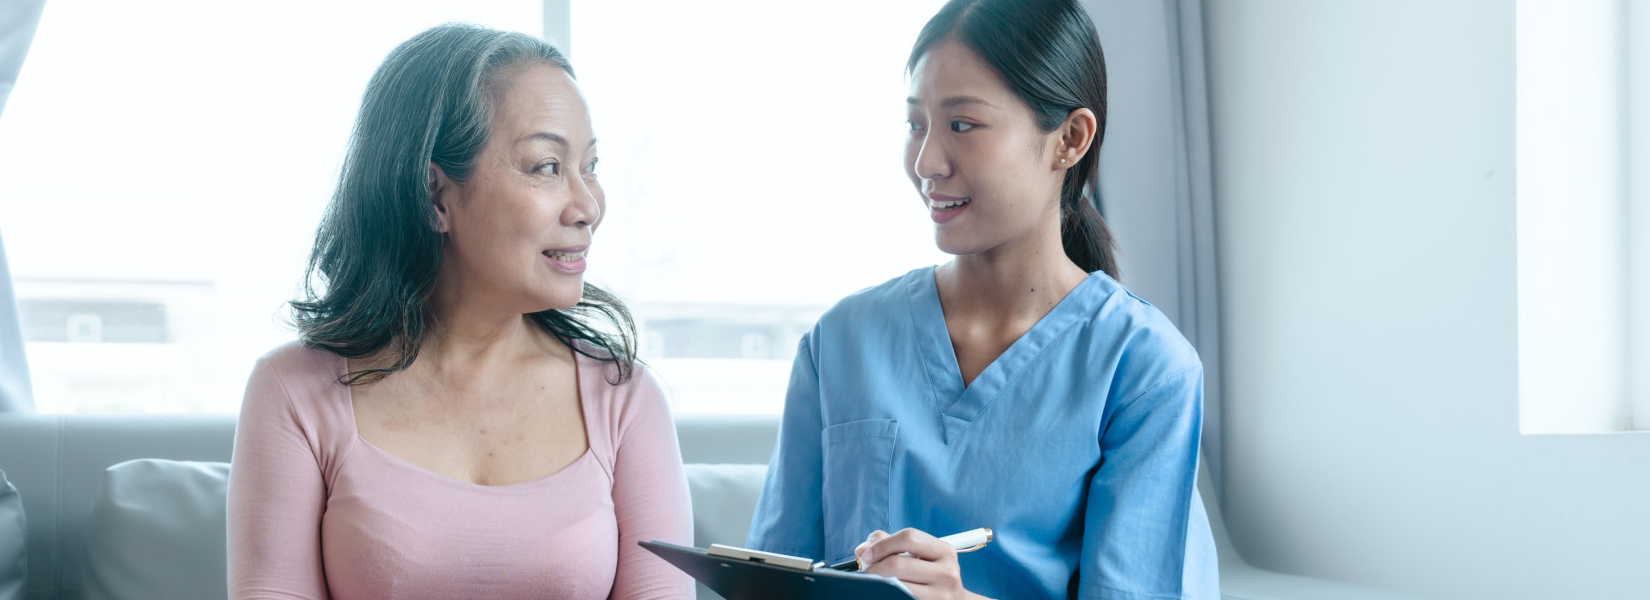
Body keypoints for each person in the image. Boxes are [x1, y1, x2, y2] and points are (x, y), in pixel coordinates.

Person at [745, 0, 1219, 598]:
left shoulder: (1145, 370)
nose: (926, 163)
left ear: (1069, 139)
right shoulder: (841, 341)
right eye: (916, 124)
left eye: (962, 125)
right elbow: (768, 582)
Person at [226, 24, 693, 600]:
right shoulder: (293, 391)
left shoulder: (626, 399)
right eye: (547, 167)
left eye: (590, 166)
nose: (588, 205)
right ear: (434, 194)